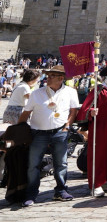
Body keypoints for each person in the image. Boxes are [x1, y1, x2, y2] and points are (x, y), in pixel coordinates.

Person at [18, 65, 80, 206]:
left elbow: (73, 111)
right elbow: (26, 113)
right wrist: (18, 128)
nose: (48, 78)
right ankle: (31, 194)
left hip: (59, 132)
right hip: (38, 133)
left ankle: (61, 190)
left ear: (61, 78)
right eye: (48, 75)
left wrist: (67, 126)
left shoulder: (70, 92)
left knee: (61, 163)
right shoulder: (37, 93)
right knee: (33, 165)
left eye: (52, 75)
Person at [77, 61, 107, 197]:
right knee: (99, 155)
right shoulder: (99, 90)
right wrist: (91, 112)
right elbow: (86, 108)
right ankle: (96, 183)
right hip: (101, 128)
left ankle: (106, 179)